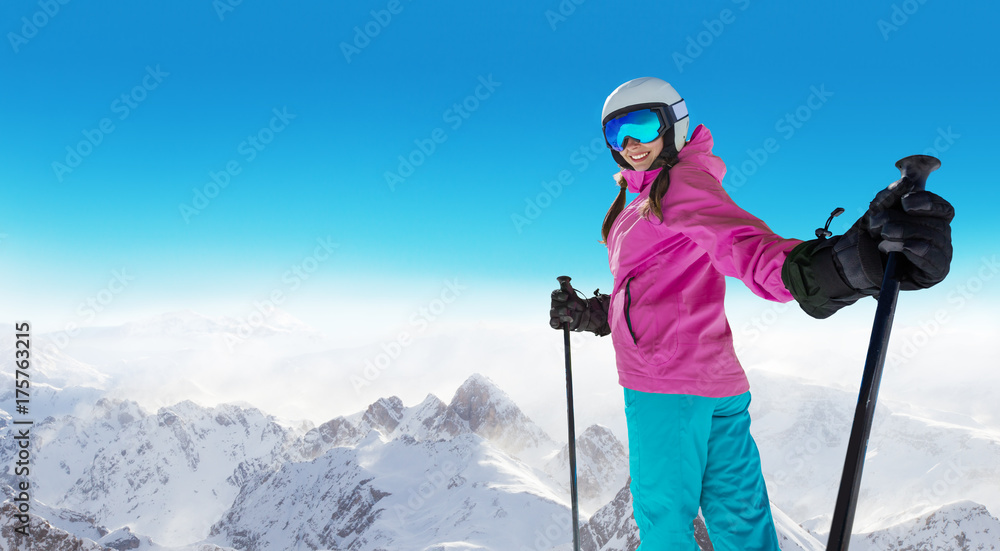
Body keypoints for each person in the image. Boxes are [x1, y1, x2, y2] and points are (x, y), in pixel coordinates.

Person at [549, 77, 954, 550]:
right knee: (740, 516)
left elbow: (744, 247)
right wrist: (593, 314)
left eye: (641, 125)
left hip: (664, 385)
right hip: (717, 383)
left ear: (673, 123)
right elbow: (656, 286)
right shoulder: (642, 198)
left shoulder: (676, 184)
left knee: (664, 522)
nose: (631, 144)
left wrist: (844, 265)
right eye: (617, 134)